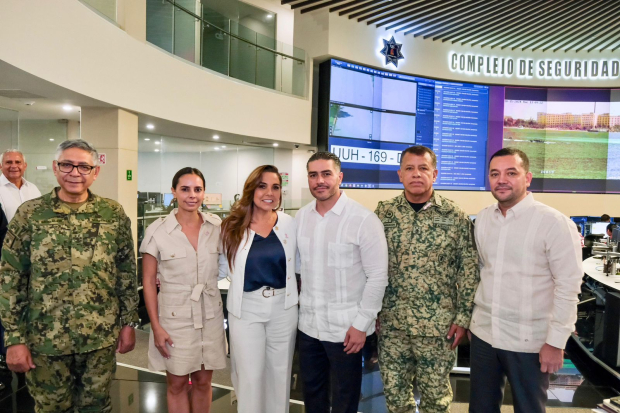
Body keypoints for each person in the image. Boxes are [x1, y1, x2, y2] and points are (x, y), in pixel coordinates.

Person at [0, 139, 138, 412]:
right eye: (67, 165)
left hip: (99, 337)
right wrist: (14, 338)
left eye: (84, 167)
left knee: (97, 407)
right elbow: (10, 277)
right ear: (55, 168)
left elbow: (125, 272)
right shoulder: (30, 214)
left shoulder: (112, 214)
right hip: (45, 340)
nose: (75, 173)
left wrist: (128, 322)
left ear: (95, 172)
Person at [469, 148, 583, 413]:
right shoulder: (484, 218)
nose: (501, 180)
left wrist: (556, 342)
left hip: (529, 341)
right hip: (484, 334)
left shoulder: (554, 223)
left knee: (529, 408)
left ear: (528, 178)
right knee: (480, 409)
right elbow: (484, 269)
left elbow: (568, 286)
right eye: (495, 174)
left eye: (511, 173)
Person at [375, 145, 479, 413]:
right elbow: (368, 266)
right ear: (400, 174)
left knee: (436, 400)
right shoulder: (383, 214)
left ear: (435, 173)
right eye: (409, 168)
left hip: (438, 327)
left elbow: (468, 270)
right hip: (392, 324)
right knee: (395, 398)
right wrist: (370, 312)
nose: (416, 174)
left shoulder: (454, 217)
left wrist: (462, 318)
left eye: (423, 168)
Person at [296, 152, 388, 413]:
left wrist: (361, 325)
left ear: (340, 177)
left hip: (347, 331)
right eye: (313, 175)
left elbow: (378, 277)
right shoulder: (302, 217)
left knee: (345, 399)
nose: (320, 180)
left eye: (326, 174)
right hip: (309, 328)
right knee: (312, 396)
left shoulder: (364, 220)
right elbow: (301, 270)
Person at [140, 167, 226, 413]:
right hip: (174, 318)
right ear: (173, 192)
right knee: (176, 384)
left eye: (197, 189)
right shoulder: (158, 231)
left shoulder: (215, 227)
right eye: (185, 189)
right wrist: (155, 326)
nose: (192, 195)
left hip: (209, 314)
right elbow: (148, 281)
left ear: (204, 193)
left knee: (203, 381)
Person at [220, 165, 298, 413]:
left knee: (280, 374)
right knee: (250, 376)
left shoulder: (289, 224)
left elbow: (301, 265)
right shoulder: (231, 227)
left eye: (275, 187)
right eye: (262, 186)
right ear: (251, 189)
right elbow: (218, 268)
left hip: (283, 308)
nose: (270, 192)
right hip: (246, 308)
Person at [0, 149, 41, 222]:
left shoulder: (33, 188)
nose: (14, 166)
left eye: (18, 162)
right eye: (9, 162)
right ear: (1, 166)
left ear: (25, 166)